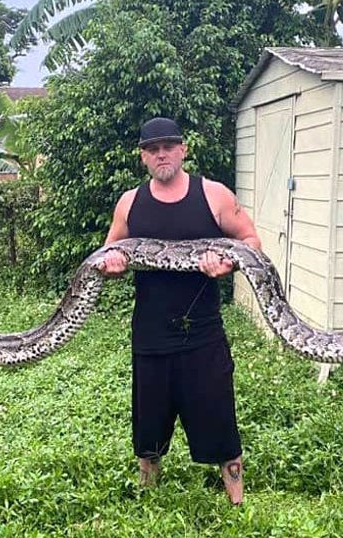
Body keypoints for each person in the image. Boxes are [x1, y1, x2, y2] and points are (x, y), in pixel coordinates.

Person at [99, 117, 262, 505]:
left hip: (203, 333)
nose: (161, 154)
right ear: (143, 156)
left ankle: (237, 503)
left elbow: (251, 240)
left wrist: (230, 263)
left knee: (220, 417)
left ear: (183, 149)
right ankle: (147, 499)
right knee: (148, 427)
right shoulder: (130, 203)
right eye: (153, 148)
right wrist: (114, 265)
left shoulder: (213, 195)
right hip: (150, 334)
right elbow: (107, 256)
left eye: (168, 146)